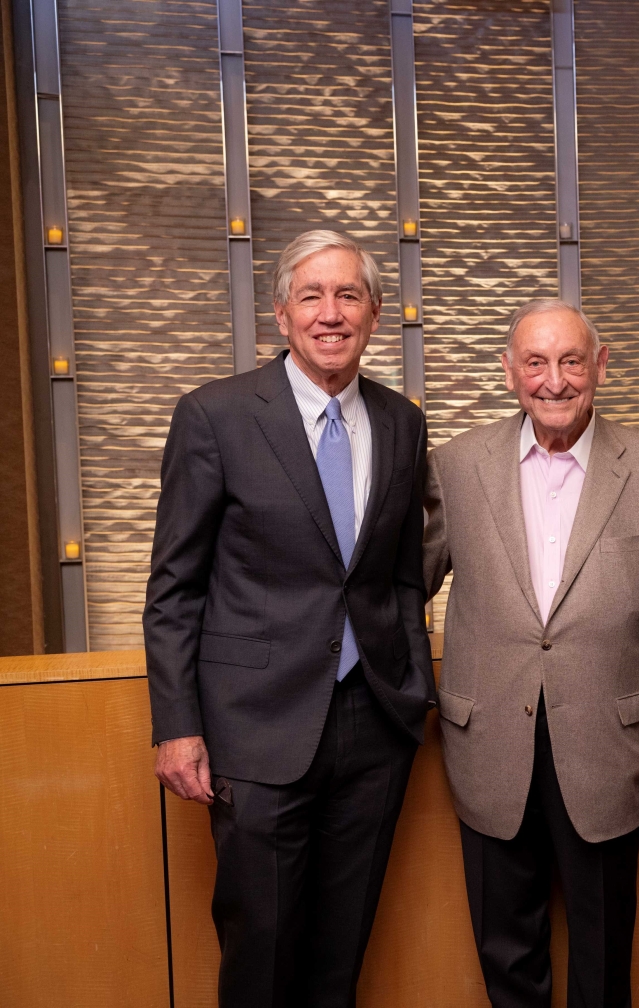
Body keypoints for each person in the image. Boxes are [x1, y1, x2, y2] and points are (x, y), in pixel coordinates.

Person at [144, 230, 435, 1007]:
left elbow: (404, 575)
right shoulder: (215, 416)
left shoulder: (402, 422)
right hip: (255, 729)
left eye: (348, 296)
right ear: (281, 314)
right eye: (312, 296)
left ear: (375, 314)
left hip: (374, 725)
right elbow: (174, 588)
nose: (330, 314)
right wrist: (177, 725)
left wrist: (411, 688)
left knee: (342, 952)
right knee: (263, 950)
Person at [424, 298, 639, 1008]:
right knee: (506, 950)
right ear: (509, 370)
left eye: (572, 361)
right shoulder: (455, 467)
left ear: (600, 366)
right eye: (536, 363)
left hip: (613, 749)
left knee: (603, 953)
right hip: (487, 742)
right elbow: (400, 590)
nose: (555, 380)